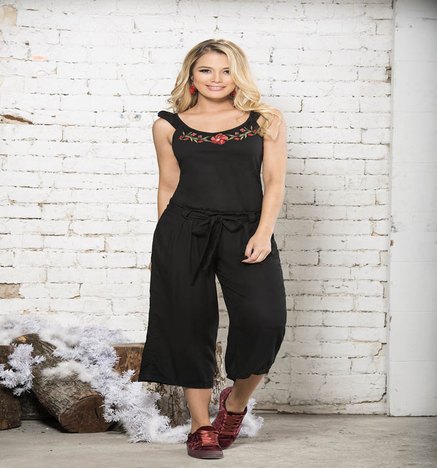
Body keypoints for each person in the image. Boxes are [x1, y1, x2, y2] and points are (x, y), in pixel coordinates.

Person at [138, 38, 288, 460]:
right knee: (189, 323)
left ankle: (234, 405)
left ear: (237, 75)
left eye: (225, 71)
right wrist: (165, 245)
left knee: (265, 320)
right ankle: (200, 426)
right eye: (206, 70)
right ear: (192, 75)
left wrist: (264, 232)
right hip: (184, 229)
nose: (216, 79)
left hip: (246, 229)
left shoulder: (264, 120)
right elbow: (168, 186)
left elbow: (274, 181)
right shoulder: (168, 125)